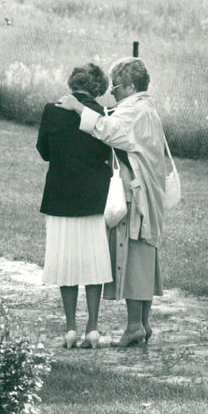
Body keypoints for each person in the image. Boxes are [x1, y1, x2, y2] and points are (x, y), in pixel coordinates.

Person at [56, 57, 168, 347]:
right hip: (149, 191)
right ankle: (143, 322)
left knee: (133, 255)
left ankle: (134, 325)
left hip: (136, 192)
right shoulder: (145, 107)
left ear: (130, 85)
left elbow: (111, 131)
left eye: (116, 86)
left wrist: (79, 107)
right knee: (145, 253)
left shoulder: (135, 111)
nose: (112, 92)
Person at [37, 63, 113, 349]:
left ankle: (70, 327)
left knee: (64, 261)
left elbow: (44, 151)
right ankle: (92, 327)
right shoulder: (103, 115)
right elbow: (108, 150)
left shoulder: (51, 111)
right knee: (94, 261)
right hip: (94, 195)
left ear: (73, 84)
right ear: (99, 88)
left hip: (59, 194)